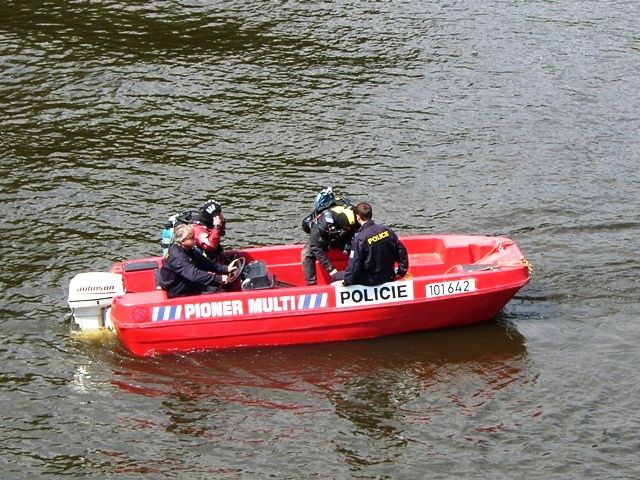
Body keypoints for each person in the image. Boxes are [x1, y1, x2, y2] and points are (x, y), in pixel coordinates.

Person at [336, 202, 409, 286]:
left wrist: (346, 282)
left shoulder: (359, 239)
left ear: (358, 217)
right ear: (371, 215)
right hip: (388, 275)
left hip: (370, 280)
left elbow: (354, 265)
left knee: (336, 276)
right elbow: (401, 251)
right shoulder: (387, 230)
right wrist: (401, 272)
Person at [159, 224, 238, 298]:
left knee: (214, 282)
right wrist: (219, 278)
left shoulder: (188, 249)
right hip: (176, 288)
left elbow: (204, 262)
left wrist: (225, 269)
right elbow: (194, 275)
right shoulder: (178, 257)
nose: (195, 240)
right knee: (214, 288)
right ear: (183, 241)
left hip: (183, 279)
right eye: (191, 238)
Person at [301, 204, 357, 285]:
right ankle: (311, 284)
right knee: (306, 254)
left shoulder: (354, 217)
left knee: (357, 245)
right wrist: (330, 269)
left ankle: (359, 273)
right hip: (325, 235)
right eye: (345, 227)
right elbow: (315, 247)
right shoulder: (322, 224)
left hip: (342, 236)